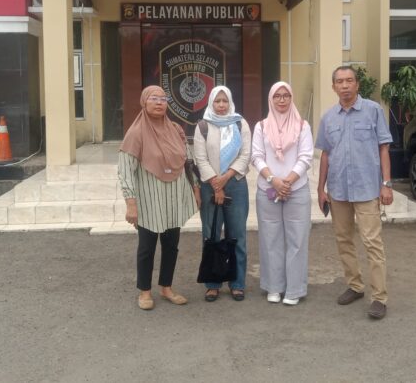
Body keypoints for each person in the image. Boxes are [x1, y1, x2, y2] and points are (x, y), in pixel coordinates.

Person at [315, 66, 393, 320]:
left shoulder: (373, 110)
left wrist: (386, 184)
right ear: (333, 86)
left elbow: (383, 148)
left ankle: (379, 297)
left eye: (349, 80)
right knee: (343, 240)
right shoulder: (328, 118)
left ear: (357, 84)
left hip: (367, 188)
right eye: (340, 81)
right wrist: (321, 188)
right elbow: (325, 154)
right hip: (338, 190)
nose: (345, 85)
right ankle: (355, 285)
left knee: (372, 242)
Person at [118, 86, 199, 311]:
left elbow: (187, 161)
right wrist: (131, 203)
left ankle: (166, 287)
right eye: (153, 98)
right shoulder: (136, 133)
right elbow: (125, 170)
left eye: (163, 99)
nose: (159, 103)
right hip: (149, 200)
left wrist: (195, 188)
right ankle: (145, 291)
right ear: (144, 102)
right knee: (147, 247)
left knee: (171, 245)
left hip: (174, 197)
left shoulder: (175, 129)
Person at [251, 81, 313, 305]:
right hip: (267, 189)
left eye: (286, 95)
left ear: (291, 98)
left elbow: (306, 156)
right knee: (270, 239)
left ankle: (294, 289)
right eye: (277, 96)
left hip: (297, 190)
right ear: (271, 99)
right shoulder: (261, 126)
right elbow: (256, 156)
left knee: (298, 240)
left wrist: (287, 182)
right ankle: (274, 287)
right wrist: (273, 180)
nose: (282, 99)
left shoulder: (302, 125)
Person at [193, 86, 252, 302]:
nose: (221, 105)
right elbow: (200, 158)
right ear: (211, 102)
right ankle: (212, 284)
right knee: (211, 235)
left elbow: (246, 154)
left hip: (235, 183)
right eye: (217, 101)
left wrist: (225, 178)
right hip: (210, 185)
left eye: (224, 101)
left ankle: (237, 283)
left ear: (230, 102)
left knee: (237, 236)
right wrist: (216, 185)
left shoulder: (240, 123)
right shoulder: (203, 125)